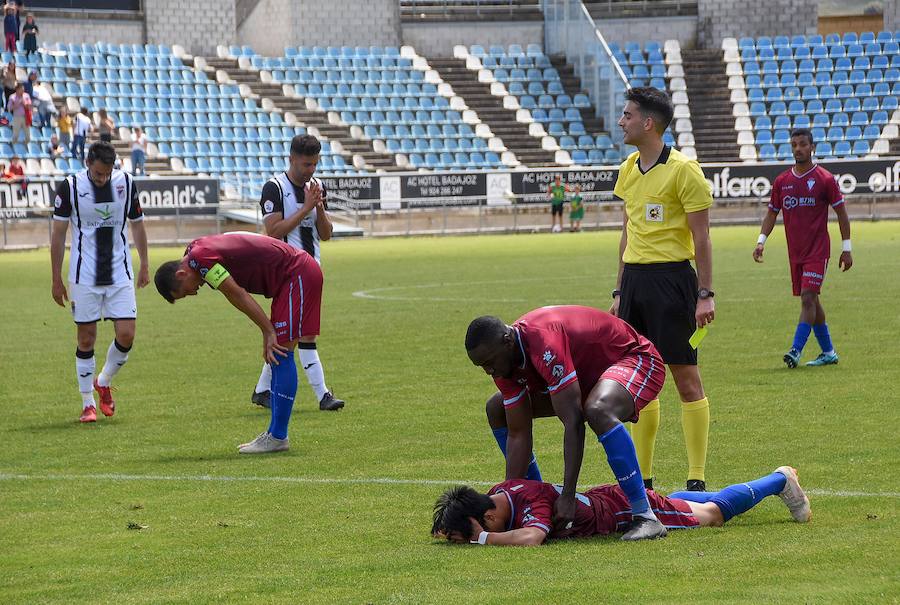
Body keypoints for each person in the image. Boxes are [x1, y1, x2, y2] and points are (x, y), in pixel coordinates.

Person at [466, 306, 668, 541]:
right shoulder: (502, 365)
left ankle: (645, 516)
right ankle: (537, 494)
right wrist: (518, 499)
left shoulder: (543, 342)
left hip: (636, 359)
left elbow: (573, 421)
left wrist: (569, 495)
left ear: (507, 340)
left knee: (597, 409)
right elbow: (518, 432)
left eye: (490, 362)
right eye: (481, 366)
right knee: (497, 408)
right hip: (588, 381)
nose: (489, 371)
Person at [611, 86, 715, 492]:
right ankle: (645, 480)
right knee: (642, 382)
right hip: (635, 284)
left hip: (673, 282)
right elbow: (626, 233)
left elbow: (702, 238)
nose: (622, 121)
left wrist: (705, 293)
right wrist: (619, 291)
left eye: (627, 115)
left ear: (648, 123)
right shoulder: (626, 170)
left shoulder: (685, 170)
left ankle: (696, 478)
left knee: (686, 378)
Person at [154, 232, 328, 453]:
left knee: (280, 352)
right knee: (279, 353)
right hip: (291, 277)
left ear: (181, 274)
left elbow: (236, 293)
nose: (193, 294)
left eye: (185, 292)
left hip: (297, 273)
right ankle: (275, 435)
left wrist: (267, 330)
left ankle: (277, 437)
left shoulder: (200, 259)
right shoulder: (195, 256)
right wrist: (266, 329)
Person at [431, 465, 810, 546]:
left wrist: (482, 541)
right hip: (610, 499)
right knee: (679, 503)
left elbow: (531, 538)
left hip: (623, 511)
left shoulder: (530, 503)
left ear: (488, 516)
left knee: (712, 516)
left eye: (480, 529)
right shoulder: (501, 493)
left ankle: (779, 480)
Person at [50, 141, 149, 423]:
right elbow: (57, 235)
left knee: (127, 334)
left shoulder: (126, 183)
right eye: (97, 174)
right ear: (87, 164)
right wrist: (56, 279)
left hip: (120, 273)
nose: (103, 178)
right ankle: (87, 404)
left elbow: (138, 224)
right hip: (84, 276)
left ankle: (103, 381)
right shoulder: (69, 187)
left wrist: (144, 263)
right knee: (86, 338)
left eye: (106, 173)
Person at [250, 134, 344, 412]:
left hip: (312, 271)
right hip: (287, 272)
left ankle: (262, 389)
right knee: (304, 335)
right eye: (306, 164)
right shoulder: (274, 188)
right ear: (291, 159)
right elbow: (274, 232)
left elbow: (326, 235)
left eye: (315, 164)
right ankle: (323, 395)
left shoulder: (316, 187)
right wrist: (304, 208)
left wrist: (318, 208)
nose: (311, 170)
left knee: (288, 337)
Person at [753, 128, 853, 368]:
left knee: (808, 298)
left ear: (812, 147)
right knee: (812, 301)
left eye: (803, 144)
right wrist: (761, 241)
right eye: (795, 144)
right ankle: (828, 352)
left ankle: (795, 351)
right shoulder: (782, 182)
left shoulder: (825, 179)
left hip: (818, 251)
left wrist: (846, 248)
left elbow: (841, 213)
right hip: (795, 253)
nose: (798, 148)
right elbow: (771, 213)